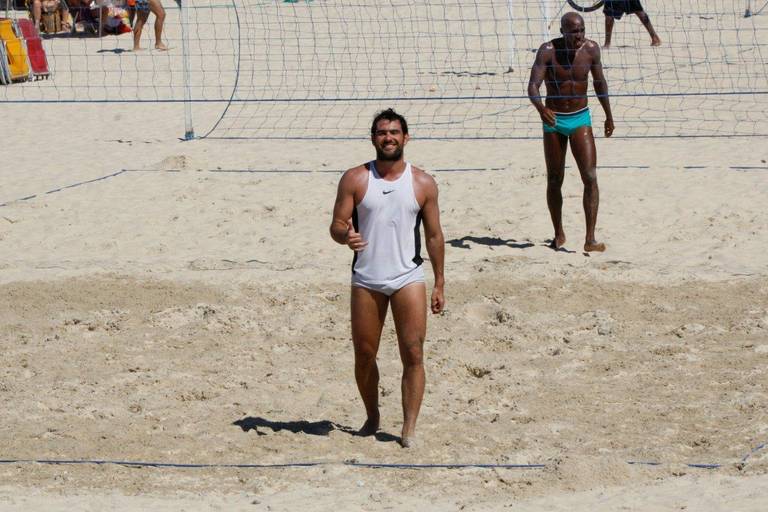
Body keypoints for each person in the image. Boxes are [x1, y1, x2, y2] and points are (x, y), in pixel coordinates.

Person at [329, 108, 445, 448]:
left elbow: (435, 236)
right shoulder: (355, 178)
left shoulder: (423, 182)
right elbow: (337, 224)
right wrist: (343, 236)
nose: (388, 137)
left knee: (413, 352)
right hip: (366, 277)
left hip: (409, 277)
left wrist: (439, 282)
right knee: (364, 355)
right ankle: (372, 415)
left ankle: (408, 429)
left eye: (394, 132)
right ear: (373, 139)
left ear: (405, 138)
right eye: (382, 132)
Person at [527, 12, 613, 252]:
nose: (579, 36)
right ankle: (558, 234)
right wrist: (540, 107)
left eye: (582, 30)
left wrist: (608, 114)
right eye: (574, 31)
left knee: (590, 176)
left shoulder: (591, 50)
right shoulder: (547, 51)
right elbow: (533, 85)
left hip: (580, 118)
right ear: (563, 31)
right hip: (553, 119)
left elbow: (599, 83)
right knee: (555, 179)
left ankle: (590, 238)